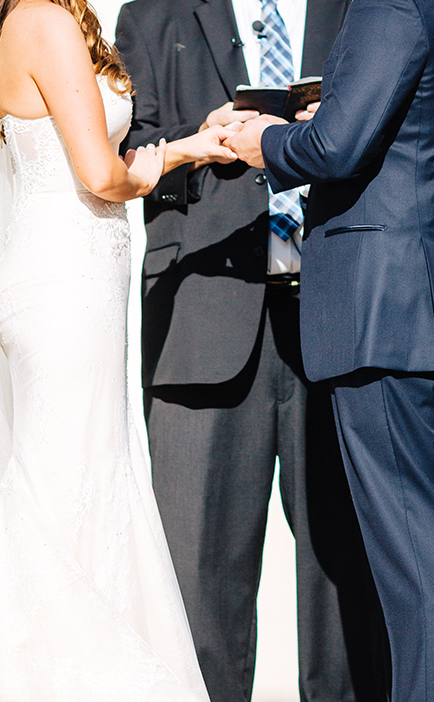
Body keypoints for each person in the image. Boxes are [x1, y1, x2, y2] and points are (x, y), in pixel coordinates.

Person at [114, 1, 388, 700]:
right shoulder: (153, 14)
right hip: (201, 319)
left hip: (340, 315)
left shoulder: (361, 9)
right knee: (200, 582)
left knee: (344, 574)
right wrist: (200, 140)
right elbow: (124, 155)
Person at [223, 0, 434, 698]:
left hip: (382, 312)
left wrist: (266, 139)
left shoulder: (387, 4)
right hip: (423, 301)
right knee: (422, 538)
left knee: (415, 552)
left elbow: (339, 149)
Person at [0, 0, 235, 698]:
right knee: (62, 490)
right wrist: (147, 176)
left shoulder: (43, 19)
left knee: (90, 480)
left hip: (76, 288)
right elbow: (103, 177)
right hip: (62, 289)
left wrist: (191, 145)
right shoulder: (40, 18)